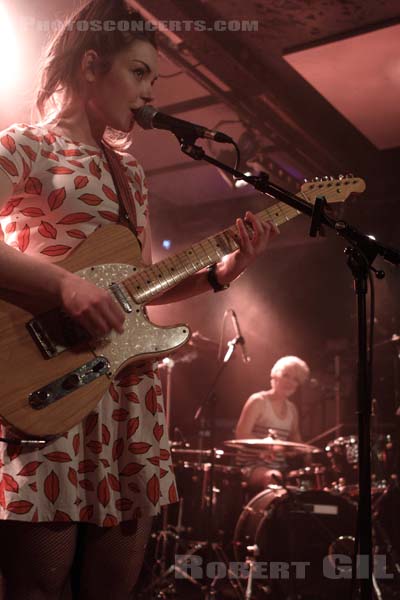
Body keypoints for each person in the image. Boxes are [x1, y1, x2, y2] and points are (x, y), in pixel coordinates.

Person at [0, 1, 278, 598]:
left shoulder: (130, 173)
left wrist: (220, 274)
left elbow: (139, 283)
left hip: (127, 397)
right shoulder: (22, 147)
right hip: (48, 387)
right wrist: (64, 285)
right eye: (141, 72)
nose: (150, 93)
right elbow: (71, 282)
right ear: (92, 65)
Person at [235, 355, 310, 490]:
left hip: (281, 468)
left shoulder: (292, 409)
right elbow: (241, 434)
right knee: (274, 477)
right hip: (250, 465)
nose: (290, 382)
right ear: (275, 375)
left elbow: (296, 441)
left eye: (295, 379)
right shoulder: (258, 401)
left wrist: (307, 453)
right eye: (286, 376)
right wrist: (269, 447)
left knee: (307, 482)